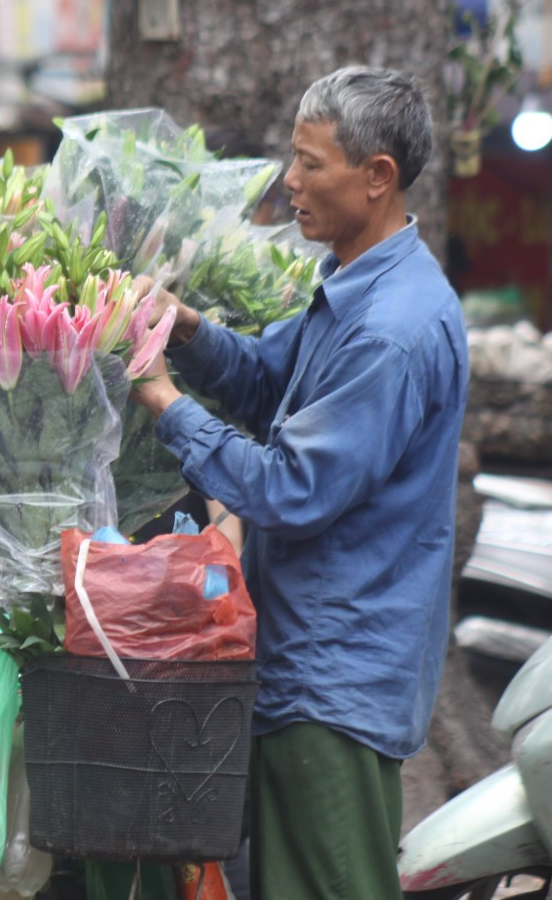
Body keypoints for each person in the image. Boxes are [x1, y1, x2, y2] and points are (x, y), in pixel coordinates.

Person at [132, 67, 469, 900]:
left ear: (376, 177)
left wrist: (164, 405)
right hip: (302, 662)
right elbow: (263, 378)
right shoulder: (353, 286)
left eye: (309, 163)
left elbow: (290, 489)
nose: (289, 181)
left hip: (335, 679)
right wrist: (188, 331)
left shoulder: (393, 329)